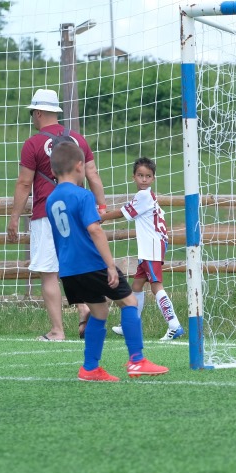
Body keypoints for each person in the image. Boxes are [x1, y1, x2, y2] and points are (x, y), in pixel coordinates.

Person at [45, 140, 168, 381]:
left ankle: (90, 368)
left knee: (99, 311)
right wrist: (111, 265)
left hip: (69, 269)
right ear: (80, 166)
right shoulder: (82, 196)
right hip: (92, 264)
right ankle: (137, 361)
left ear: (52, 171)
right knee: (130, 302)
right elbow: (95, 230)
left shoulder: (51, 200)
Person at [6, 89, 108, 342]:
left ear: (38, 112)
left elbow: (23, 183)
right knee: (76, 266)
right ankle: (84, 307)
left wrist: (14, 217)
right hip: (78, 213)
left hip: (46, 212)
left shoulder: (32, 144)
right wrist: (101, 207)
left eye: (32, 113)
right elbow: (93, 175)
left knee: (49, 271)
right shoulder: (78, 140)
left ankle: (57, 331)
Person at [100, 157, 184, 341]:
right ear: (134, 177)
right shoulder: (147, 196)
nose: (144, 179)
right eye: (140, 175)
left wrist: (103, 217)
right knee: (137, 285)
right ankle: (130, 325)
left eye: (148, 176)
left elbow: (123, 213)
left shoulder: (143, 195)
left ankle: (174, 324)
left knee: (156, 286)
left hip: (152, 246)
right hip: (150, 246)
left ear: (153, 178)